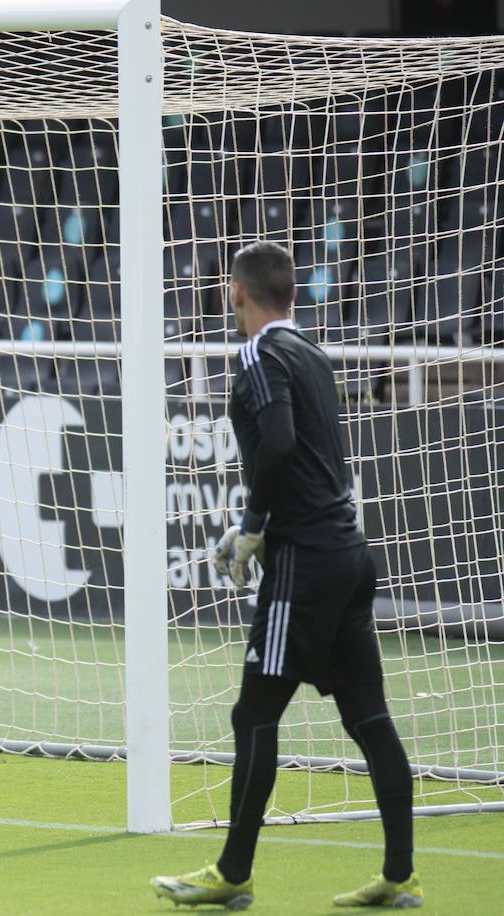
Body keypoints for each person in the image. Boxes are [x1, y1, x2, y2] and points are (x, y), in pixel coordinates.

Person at [150, 241, 420, 909]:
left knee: (255, 714)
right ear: (292, 293)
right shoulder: (312, 354)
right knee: (370, 717)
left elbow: (277, 443)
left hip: (302, 565)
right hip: (349, 555)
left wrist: (254, 526)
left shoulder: (259, 354)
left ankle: (233, 874)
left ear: (236, 293)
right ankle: (400, 875)